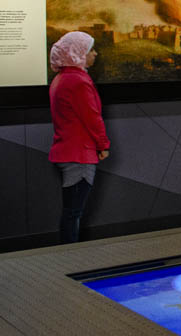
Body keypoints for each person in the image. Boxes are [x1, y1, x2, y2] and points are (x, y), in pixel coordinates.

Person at [48, 31, 109, 243]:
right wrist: (103, 145)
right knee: (73, 213)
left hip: (66, 151)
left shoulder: (61, 79)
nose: (95, 53)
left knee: (71, 212)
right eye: (91, 49)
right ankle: (69, 257)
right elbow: (92, 117)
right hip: (79, 156)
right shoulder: (79, 82)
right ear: (78, 53)